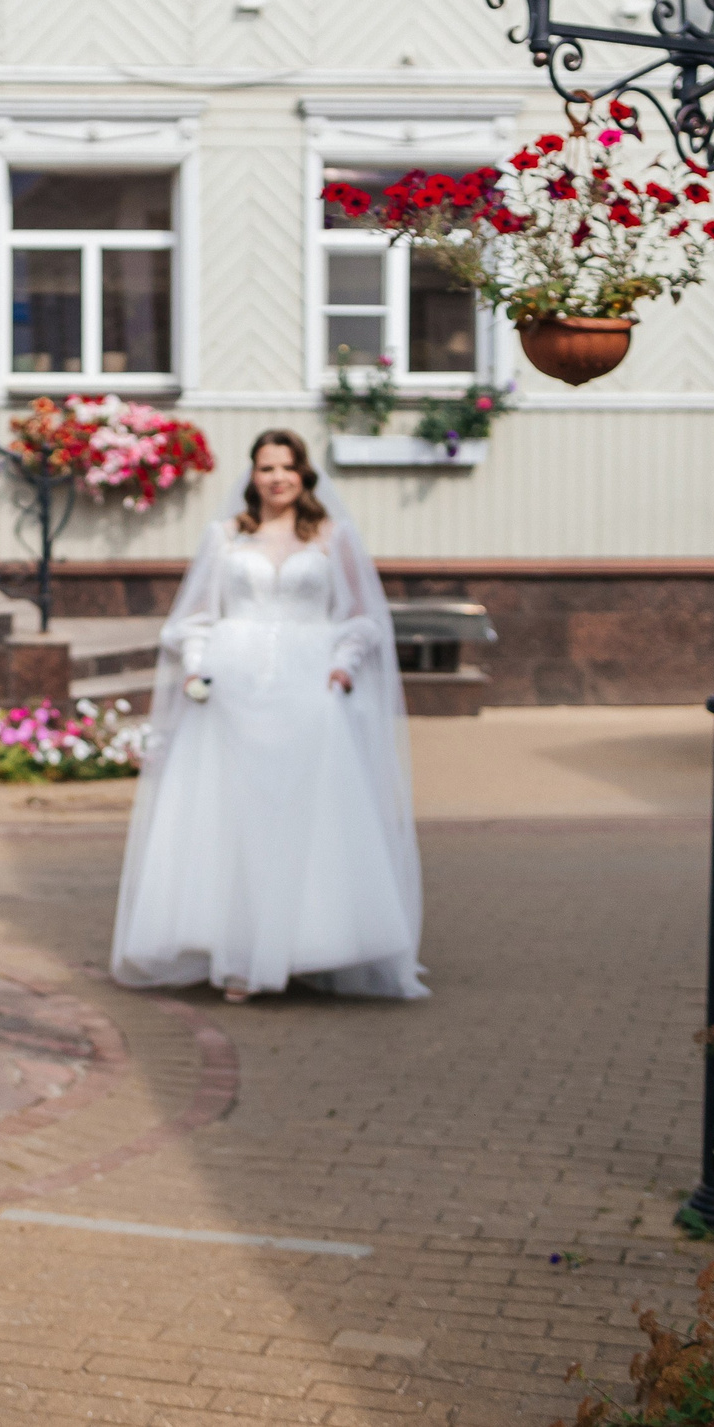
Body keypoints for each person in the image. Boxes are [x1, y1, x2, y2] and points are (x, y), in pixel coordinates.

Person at [110, 427, 428, 1003]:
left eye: (287, 467)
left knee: (307, 808)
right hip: (234, 684)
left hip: (307, 683)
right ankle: (237, 950)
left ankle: (308, 947)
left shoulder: (334, 537)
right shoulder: (225, 537)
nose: (277, 478)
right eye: (265, 468)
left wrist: (344, 664)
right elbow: (199, 614)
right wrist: (197, 666)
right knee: (234, 812)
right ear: (251, 475)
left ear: (304, 474)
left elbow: (360, 614)